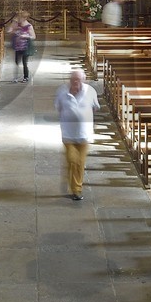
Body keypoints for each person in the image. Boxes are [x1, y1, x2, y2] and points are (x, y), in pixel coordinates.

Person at [55, 66, 99, 201]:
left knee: (79, 162)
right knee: (73, 160)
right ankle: (75, 187)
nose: (76, 82)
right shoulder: (62, 92)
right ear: (70, 79)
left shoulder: (90, 91)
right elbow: (58, 107)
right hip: (68, 134)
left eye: (78, 79)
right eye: (73, 79)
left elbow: (96, 107)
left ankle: (75, 187)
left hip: (84, 135)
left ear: (83, 80)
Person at [5, 13, 35, 82]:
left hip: (25, 47)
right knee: (16, 62)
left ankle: (26, 77)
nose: (19, 19)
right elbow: (9, 31)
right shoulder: (17, 25)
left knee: (24, 62)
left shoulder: (29, 26)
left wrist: (26, 36)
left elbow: (33, 36)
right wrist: (13, 24)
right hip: (17, 47)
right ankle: (16, 77)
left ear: (25, 18)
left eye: (20, 18)